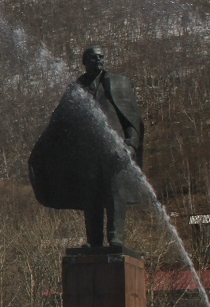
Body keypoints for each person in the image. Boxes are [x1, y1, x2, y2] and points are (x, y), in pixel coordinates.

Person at [29, 44, 145, 248]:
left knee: (115, 194)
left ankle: (116, 237)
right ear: (84, 62)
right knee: (91, 199)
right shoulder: (76, 89)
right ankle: (94, 240)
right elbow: (60, 121)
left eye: (100, 57)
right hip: (86, 154)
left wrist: (131, 146)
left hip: (115, 151)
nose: (97, 60)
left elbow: (132, 119)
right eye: (92, 57)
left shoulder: (118, 83)